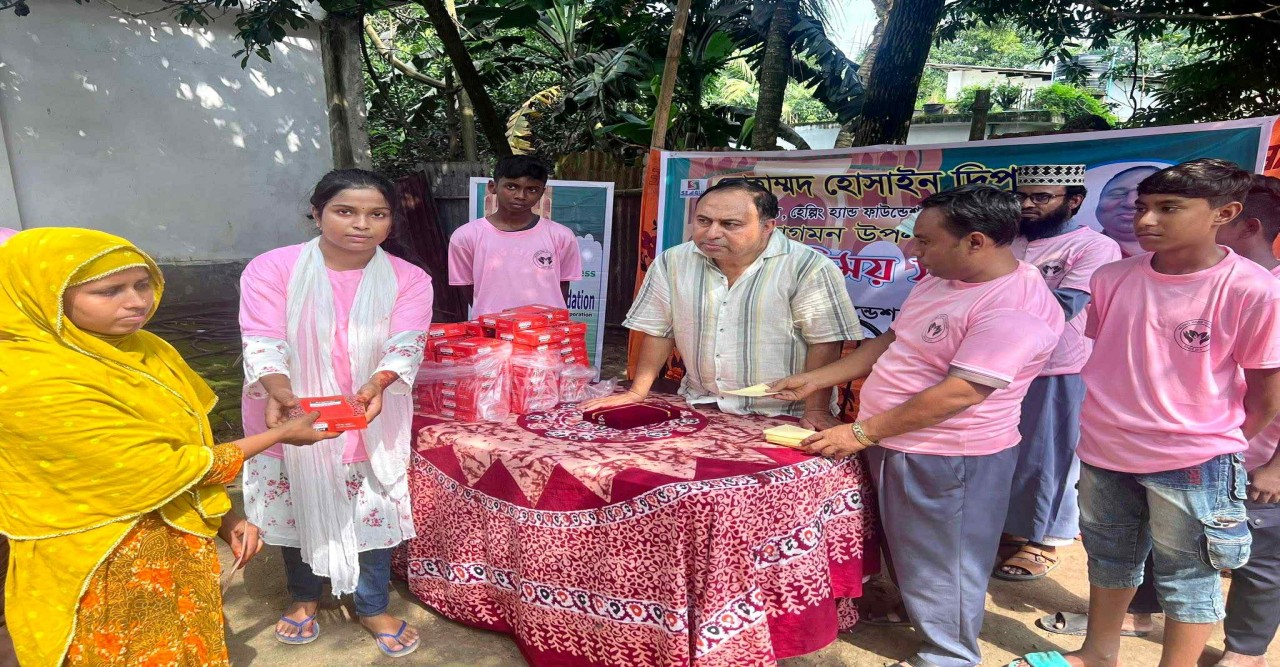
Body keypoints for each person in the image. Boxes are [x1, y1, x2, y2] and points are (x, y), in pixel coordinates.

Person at [0, 228, 336, 666]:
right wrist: (279, 435)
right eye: (109, 291)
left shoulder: (145, 348)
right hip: (103, 558)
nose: (136, 301)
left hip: (177, 540)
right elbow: (160, 467)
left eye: (142, 284)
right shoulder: (30, 377)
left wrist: (224, 518)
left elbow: (188, 439)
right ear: (47, 296)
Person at [772, 185, 1065, 667]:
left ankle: (949, 655)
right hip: (895, 439)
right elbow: (892, 341)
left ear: (975, 241)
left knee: (946, 562)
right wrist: (817, 379)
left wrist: (860, 433)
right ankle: (917, 615)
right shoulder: (943, 279)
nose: (914, 250)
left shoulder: (1014, 306)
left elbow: (960, 393)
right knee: (907, 546)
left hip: (949, 455)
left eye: (926, 241)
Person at [1008, 159, 1280, 667]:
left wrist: (1213, 443)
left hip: (1194, 460)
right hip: (1105, 449)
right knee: (1110, 558)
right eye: (1142, 207)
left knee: (1189, 573)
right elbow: (1115, 356)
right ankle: (1098, 653)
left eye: (1168, 208)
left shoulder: (1251, 288)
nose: (1146, 220)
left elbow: (1267, 393)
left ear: (1224, 213)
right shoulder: (1112, 277)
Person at [239, 169, 433, 657]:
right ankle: (304, 597)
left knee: (372, 513)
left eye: (377, 214)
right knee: (297, 509)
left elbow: (406, 344)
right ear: (316, 212)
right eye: (345, 211)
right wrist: (280, 391)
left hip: (369, 417)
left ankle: (372, 605)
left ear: (391, 220)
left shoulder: (410, 278)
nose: (361, 224)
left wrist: (377, 384)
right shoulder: (272, 268)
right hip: (290, 415)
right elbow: (262, 337)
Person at [580, 178, 862, 427]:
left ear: (767, 227)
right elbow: (659, 330)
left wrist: (815, 410)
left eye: (730, 224)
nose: (712, 232)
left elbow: (825, 342)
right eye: (704, 221)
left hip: (784, 411)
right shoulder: (672, 262)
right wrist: (637, 392)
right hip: (700, 403)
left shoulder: (808, 268)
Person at [995, 165, 1121, 581]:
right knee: (1005, 452)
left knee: (1049, 456)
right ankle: (1012, 528)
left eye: (1041, 197)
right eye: (1021, 196)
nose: (1027, 205)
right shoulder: (1007, 240)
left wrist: (988, 310)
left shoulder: (1093, 247)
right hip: (999, 364)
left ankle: (1045, 539)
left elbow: (1065, 305)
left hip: (1057, 367)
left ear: (1074, 201)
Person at [448, 155, 582, 317]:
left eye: (532, 189)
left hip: (546, 328)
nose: (520, 195)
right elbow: (467, 287)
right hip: (492, 328)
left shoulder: (562, 236)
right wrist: (491, 317)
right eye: (511, 186)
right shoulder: (465, 237)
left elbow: (562, 286)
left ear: (542, 193)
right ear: (492, 187)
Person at [1094, 165, 1160, 257]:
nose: (1130, 203)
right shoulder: (1079, 248)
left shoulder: (1180, 252)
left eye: (1145, 193)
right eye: (1117, 194)